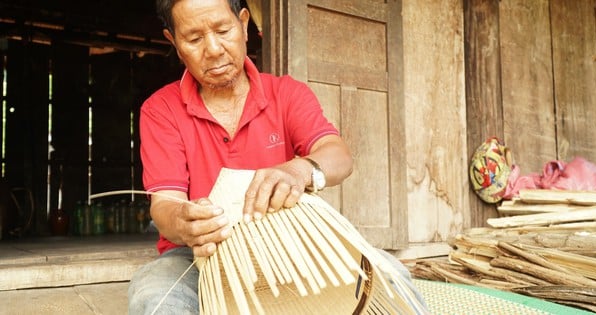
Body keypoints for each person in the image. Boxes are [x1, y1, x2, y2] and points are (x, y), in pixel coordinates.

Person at [128, 0, 426, 314]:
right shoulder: (161, 109)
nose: (213, 49)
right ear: (173, 41)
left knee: (392, 277)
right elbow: (165, 204)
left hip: (288, 243)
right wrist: (183, 222)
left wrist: (301, 169)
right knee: (155, 296)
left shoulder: (285, 93)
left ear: (243, 24)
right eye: (194, 38)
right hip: (198, 255)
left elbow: (338, 156)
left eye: (222, 30)